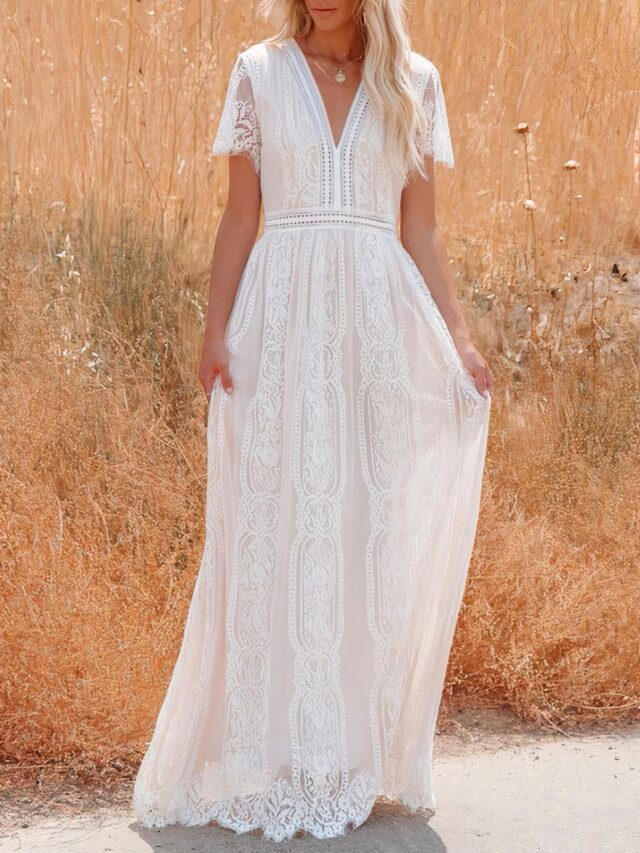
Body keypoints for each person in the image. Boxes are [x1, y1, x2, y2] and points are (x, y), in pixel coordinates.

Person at [132, 0, 494, 842]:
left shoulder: (415, 83)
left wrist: (462, 344)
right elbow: (239, 216)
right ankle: (279, 748)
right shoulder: (258, 72)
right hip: (281, 325)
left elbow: (423, 232)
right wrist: (214, 328)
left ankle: (355, 755)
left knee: (368, 523)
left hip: (375, 329)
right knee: (276, 525)